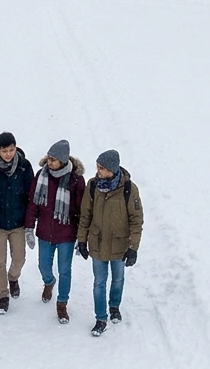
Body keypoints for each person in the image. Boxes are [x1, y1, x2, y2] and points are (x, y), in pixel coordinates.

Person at [76, 149, 143, 337]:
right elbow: (85, 215)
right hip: (97, 243)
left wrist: (133, 247)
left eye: (102, 168)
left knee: (118, 278)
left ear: (112, 169)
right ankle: (101, 318)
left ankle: (114, 306)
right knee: (99, 282)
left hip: (119, 245)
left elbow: (136, 220)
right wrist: (82, 240)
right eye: (97, 167)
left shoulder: (129, 189)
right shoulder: (92, 186)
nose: (98, 171)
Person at [24, 139, 86, 325]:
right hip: (45, 231)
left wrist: (82, 237)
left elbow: (82, 210)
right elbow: (33, 202)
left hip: (66, 233)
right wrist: (29, 227)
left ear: (63, 160)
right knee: (43, 266)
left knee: (65, 270)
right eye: (48, 158)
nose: (49, 162)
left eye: (53, 159)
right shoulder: (41, 175)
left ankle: (62, 303)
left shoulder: (76, 180)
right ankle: (49, 281)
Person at [0, 132, 34, 314]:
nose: (8, 154)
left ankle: (13, 277)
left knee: (19, 258)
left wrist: (29, 220)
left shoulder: (24, 166)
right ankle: (3, 296)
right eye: (5, 151)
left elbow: (30, 194)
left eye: (11, 150)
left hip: (17, 222)